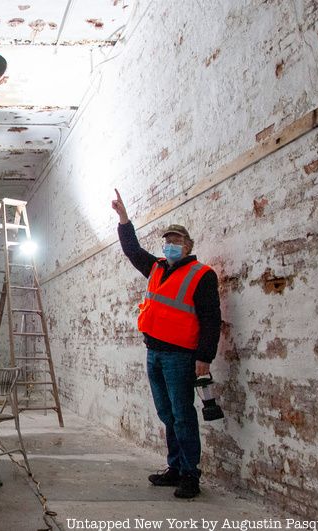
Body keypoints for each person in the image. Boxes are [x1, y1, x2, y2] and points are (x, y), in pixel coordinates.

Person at [111, 189, 221, 499]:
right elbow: (132, 249)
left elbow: (212, 319)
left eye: (176, 242)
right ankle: (175, 467)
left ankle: (190, 474)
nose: (170, 245)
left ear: (188, 246)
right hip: (154, 353)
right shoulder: (157, 267)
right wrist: (123, 219)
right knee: (167, 414)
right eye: (167, 241)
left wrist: (205, 358)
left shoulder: (203, 275)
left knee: (183, 414)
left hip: (180, 357)